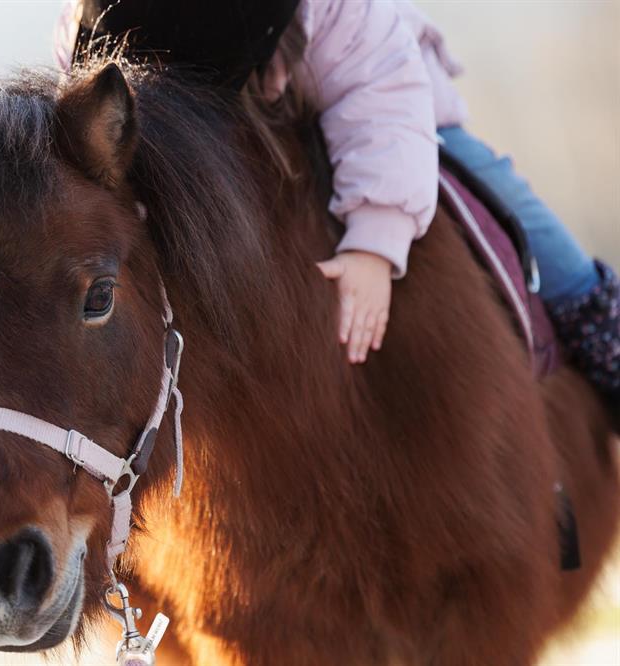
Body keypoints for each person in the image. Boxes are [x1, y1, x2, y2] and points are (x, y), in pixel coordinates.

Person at [55, 0, 619, 418]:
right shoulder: (96, 20)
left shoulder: (336, 12)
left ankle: (600, 332)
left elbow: (383, 99)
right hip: (215, 150)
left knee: (515, 207)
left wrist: (374, 243)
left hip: (395, 115)